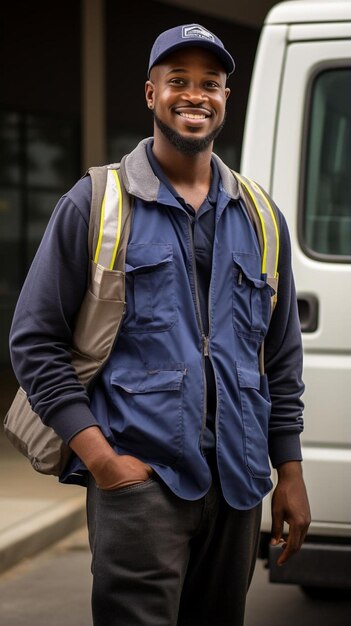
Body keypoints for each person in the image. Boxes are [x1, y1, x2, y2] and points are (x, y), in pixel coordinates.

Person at [9, 23, 311, 626]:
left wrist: (291, 471)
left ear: (227, 97)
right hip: (140, 484)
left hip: (238, 485)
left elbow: (279, 356)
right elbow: (34, 343)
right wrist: (101, 460)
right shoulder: (96, 203)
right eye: (178, 81)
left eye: (210, 83)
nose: (194, 95)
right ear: (151, 95)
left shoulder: (260, 217)